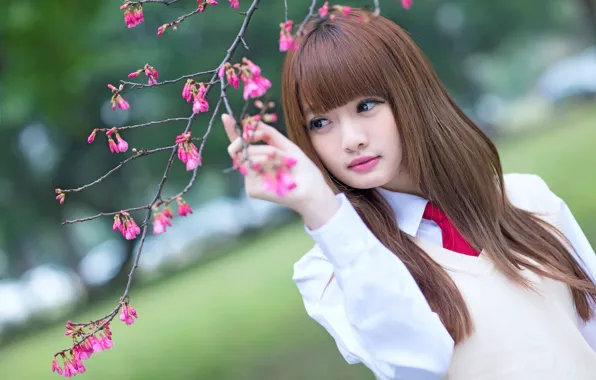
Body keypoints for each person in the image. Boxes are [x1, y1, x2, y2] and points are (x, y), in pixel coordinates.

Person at [222, 7, 596, 380]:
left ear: (410, 94)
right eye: (320, 123)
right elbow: (418, 365)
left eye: (366, 106)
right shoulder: (331, 270)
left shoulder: (526, 197)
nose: (351, 139)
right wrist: (321, 210)